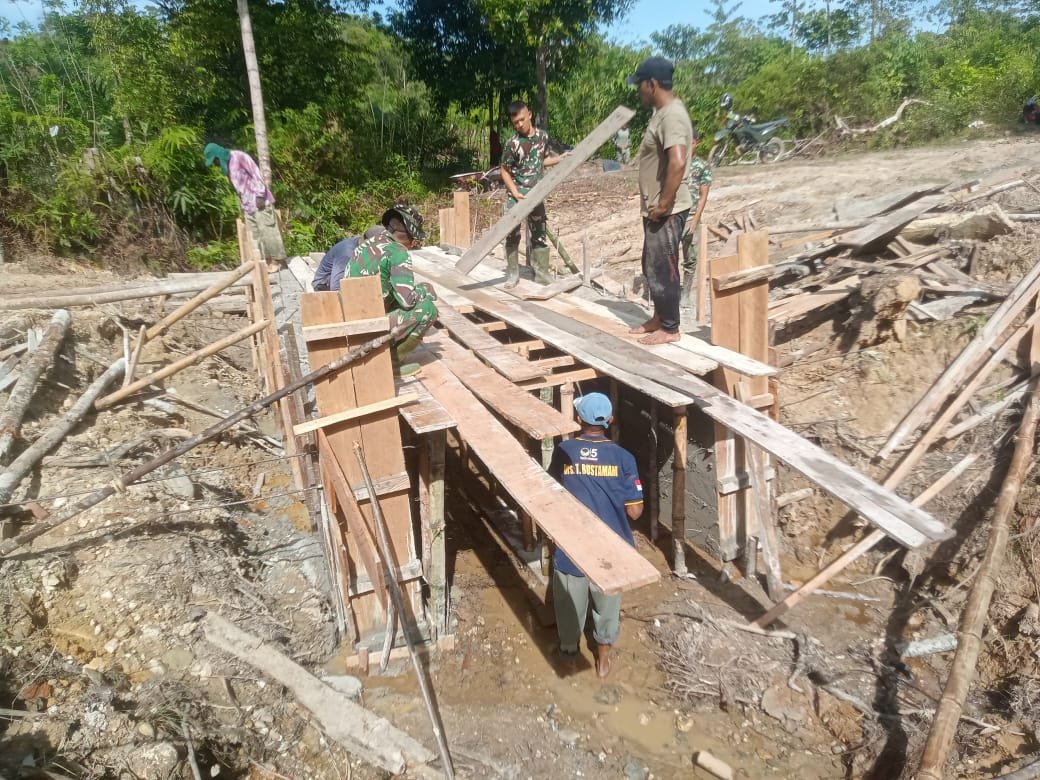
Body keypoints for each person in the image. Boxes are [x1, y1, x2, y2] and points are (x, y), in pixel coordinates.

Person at [548, 392, 644, 679]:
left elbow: (550, 491)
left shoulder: (564, 451)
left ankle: (569, 660)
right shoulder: (624, 458)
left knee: (569, 608)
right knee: (607, 607)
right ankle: (602, 660)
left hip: (572, 547)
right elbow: (635, 512)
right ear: (610, 420)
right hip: (612, 549)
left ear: (579, 419)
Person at [626, 56, 694, 346]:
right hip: (657, 209)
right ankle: (659, 317)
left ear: (651, 84)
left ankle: (670, 327)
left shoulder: (671, 116)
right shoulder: (662, 113)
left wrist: (664, 204)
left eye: (640, 85)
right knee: (651, 265)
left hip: (666, 210)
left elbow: (677, 161)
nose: (638, 90)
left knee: (664, 267)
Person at [342, 205, 436, 377]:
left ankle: (383, 356)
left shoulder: (369, 242)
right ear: (409, 236)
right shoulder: (398, 252)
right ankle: (389, 364)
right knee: (428, 309)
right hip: (368, 325)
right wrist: (426, 290)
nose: (414, 244)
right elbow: (407, 302)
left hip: (350, 316)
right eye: (415, 240)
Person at [500, 100, 566, 288]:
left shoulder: (542, 137)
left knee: (539, 234)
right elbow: (504, 171)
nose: (519, 125)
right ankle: (513, 274)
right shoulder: (512, 144)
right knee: (512, 234)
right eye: (515, 123)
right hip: (517, 196)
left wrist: (559, 159)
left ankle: (542, 275)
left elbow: (541, 161)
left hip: (536, 194)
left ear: (529, 114)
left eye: (522, 119)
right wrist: (515, 193)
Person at [204, 143, 287, 270]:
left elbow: (256, 173)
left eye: (215, 160)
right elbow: (240, 188)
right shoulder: (228, 167)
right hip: (248, 206)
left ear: (218, 155)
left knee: (268, 232)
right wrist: (243, 206)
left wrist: (260, 196)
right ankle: (264, 263)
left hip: (260, 202)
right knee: (255, 237)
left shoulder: (239, 157)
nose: (215, 164)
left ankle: (277, 261)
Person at [680, 128, 712, 310]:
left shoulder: (702, 166)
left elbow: (703, 196)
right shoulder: (675, 163)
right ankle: (668, 292)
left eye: (691, 143)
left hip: (691, 218)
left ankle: (685, 294)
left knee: (690, 258)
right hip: (674, 217)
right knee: (668, 255)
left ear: (697, 143)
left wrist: (695, 220)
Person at [312, 225, 384, 292]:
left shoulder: (360, 245)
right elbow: (336, 287)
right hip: (324, 286)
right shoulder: (347, 253)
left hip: (344, 282)